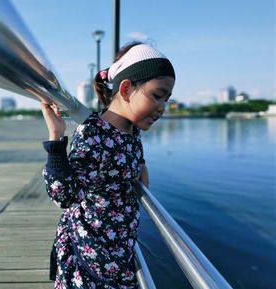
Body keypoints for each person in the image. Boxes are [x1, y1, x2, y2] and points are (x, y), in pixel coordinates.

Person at [40, 42, 175, 289]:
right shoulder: (94, 134)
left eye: (166, 99)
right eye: (157, 95)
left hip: (117, 257)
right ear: (125, 88)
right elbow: (65, 195)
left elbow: (131, 168)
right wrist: (56, 137)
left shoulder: (132, 131)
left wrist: (139, 166)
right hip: (87, 261)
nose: (162, 108)